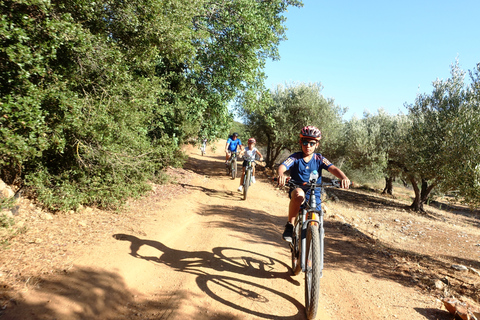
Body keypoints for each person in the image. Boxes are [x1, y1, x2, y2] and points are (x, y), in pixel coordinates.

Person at [277, 125, 350, 242]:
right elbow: (282, 166)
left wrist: (344, 178)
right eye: (305, 142)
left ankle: (311, 257)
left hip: (314, 193)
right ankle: (290, 225)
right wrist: (281, 175)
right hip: (297, 189)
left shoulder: (319, 158)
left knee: (316, 225)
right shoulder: (295, 157)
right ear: (300, 142)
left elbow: (333, 168)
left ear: (317, 145)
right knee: (299, 194)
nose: (308, 146)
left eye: (312, 143)